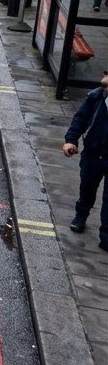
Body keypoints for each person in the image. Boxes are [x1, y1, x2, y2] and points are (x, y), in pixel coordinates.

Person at [63, 70, 108, 251]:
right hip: (93, 153)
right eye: (105, 74)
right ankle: (80, 216)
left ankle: (105, 236)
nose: (103, 80)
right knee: (87, 186)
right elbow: (80, 119)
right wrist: (70, 140)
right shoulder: (96, 96)